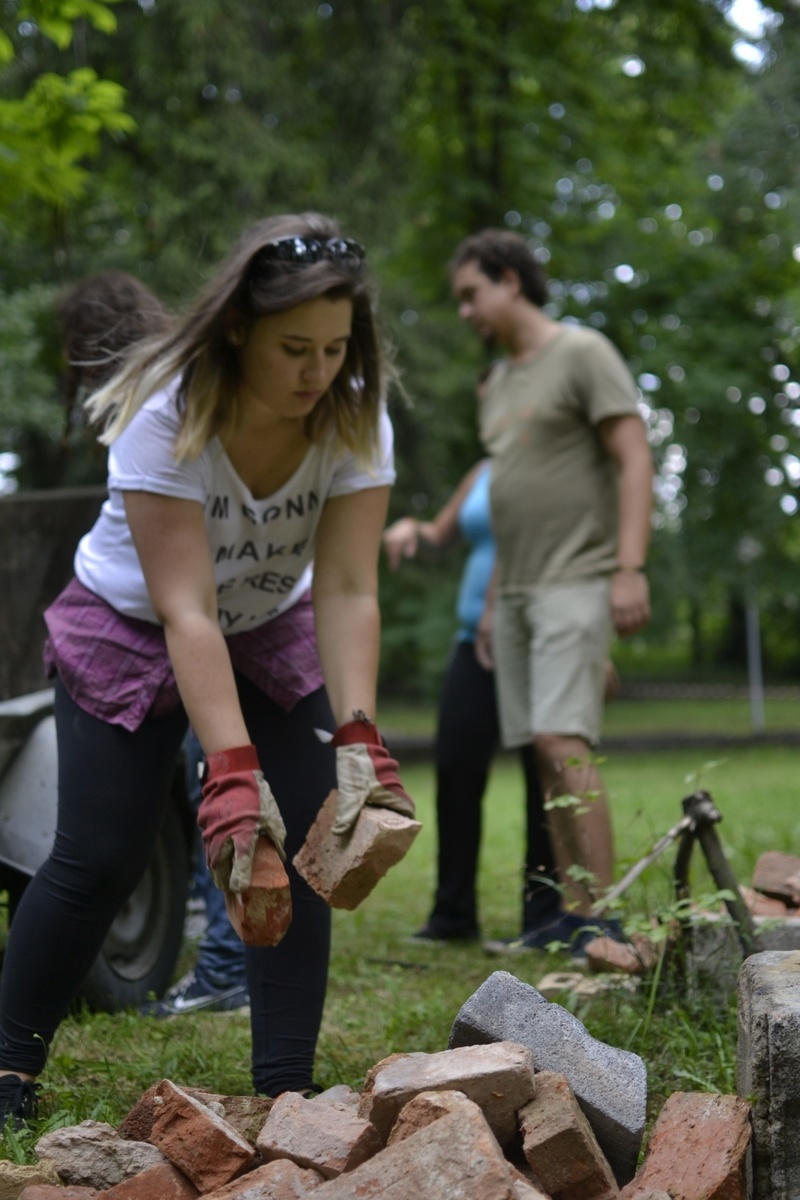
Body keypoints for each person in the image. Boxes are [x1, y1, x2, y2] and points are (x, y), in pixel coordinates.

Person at [0, 212, 415, 1127]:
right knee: (100, 855)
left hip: (271, 617)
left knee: (301, 842)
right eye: (295, 348)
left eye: (336, 348)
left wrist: (357, 735)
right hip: (134, 620)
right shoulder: (168, 412)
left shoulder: (353, 412)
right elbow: (187, 611)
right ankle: (6, 1068)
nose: (317, 372)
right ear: (238, 329)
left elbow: (346, 587)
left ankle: (286, 1093)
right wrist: (230, 775)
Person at [450, 229, 653, 953]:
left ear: (509, 280)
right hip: (516, 593)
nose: (466, 312)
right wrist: (493, 598)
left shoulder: (583, 353)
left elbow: (634, 457)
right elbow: (511, 495)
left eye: (472, 294)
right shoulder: (498, 382)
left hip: (579, 574)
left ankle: (603, 916)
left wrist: (629, 567)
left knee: (562, 738)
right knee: (540, 750)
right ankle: (572, 917)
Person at [58, 271, 250, 1016]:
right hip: (211, 603)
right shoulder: (182, 373)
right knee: (215, 773)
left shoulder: (158, 391)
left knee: (218, 773)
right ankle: (226, 945)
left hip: (205, 611)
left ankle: (229, 961)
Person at [383, 455, 562, 944]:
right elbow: (441, 536)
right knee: (456, 764)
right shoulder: (481, 470)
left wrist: (495, 610)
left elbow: (525, 540)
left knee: (543, 773)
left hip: (531, 636)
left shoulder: (550, 463)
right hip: (471, 642)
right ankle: (453, 914)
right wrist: (410, 528)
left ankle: (544, 918)